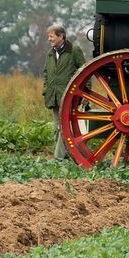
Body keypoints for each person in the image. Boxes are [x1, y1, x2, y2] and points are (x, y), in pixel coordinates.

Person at [44, 23, 87, 161]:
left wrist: (85, 93)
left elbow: (84, 71)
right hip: (54, 95)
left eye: (52, 36)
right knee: (57, 127)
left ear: (61, 36)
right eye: (49, 36)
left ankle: (58, 158)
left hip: (68, 95)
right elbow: (46, 73)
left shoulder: (74, 51)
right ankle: (67, 155)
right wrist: (46, 89)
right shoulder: (50, 54)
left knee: (63, 126)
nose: (49, 39)